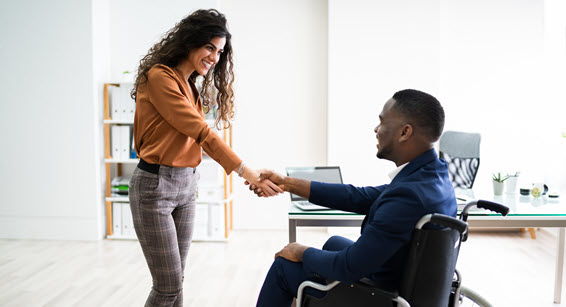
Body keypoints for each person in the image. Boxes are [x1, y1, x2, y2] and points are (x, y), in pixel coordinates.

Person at [128, 9, 282, 307]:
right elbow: (199, 131)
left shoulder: (191, 87)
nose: (214, 57)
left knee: (176, 281)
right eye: (209, 47)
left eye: (219, 51)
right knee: (168, 286)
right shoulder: (159, 77)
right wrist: (246, 171)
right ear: (190, 42)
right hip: (154, 188)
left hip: (186, 186)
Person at [250, 89, 457, 307]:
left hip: (384, 296)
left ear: (405, 132)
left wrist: (301, 252)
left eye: (382, 121)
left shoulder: (408, 196)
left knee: (284, 267)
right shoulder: (432, 175)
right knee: (333, 243)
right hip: (404, 276)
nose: (376, 129)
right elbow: (358, 197)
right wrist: (287, 183)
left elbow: (348, 267)